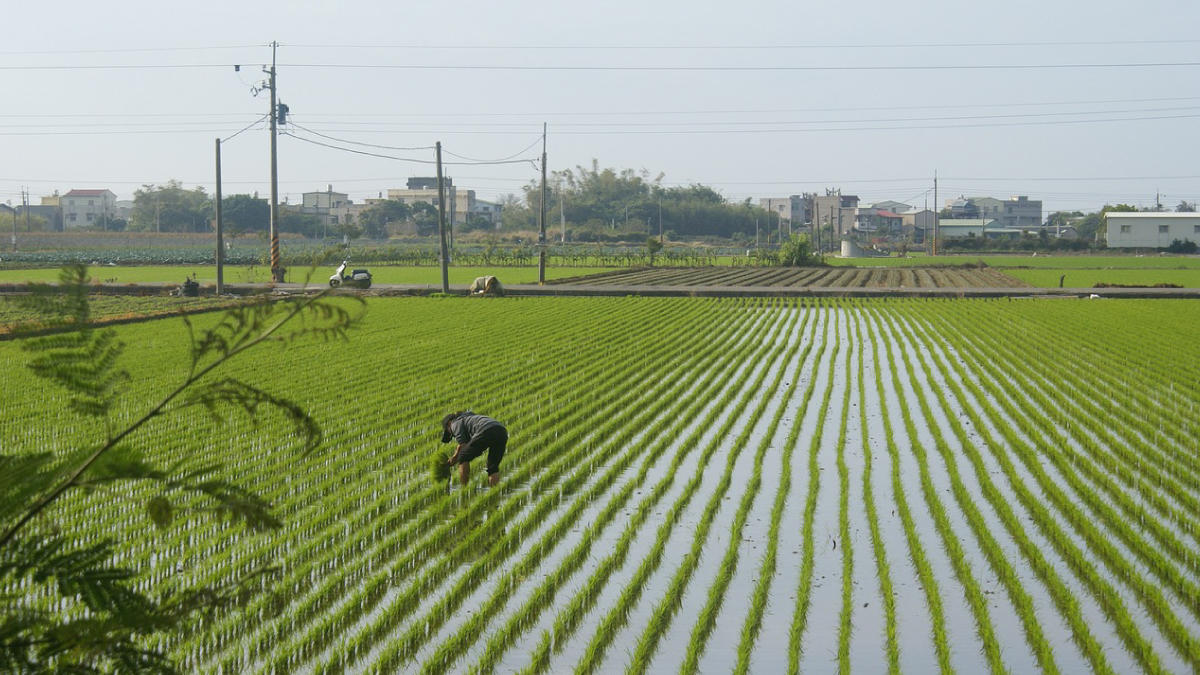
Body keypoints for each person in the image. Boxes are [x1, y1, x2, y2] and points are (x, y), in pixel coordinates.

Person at [441, 411, 508, 487]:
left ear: (449, 423)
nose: (452, 434)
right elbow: (465, 445)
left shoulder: (455, 424)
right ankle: (495, 491)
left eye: (449, 432)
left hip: (486, 430)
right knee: (493, 467)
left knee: (463, 457)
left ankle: (464, 488)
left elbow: (463, 445)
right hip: (501, 430)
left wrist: (456, 458)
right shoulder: (469, 418)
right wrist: (454, 458)